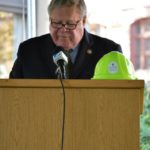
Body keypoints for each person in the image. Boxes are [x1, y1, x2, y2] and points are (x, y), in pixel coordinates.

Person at [9, 0, 122, 79]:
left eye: (70, 24)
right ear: (50, 19)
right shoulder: (28, 51)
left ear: (83, 21)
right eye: (57, 23)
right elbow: (12, 95)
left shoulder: (108, 52)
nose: (63, 30)